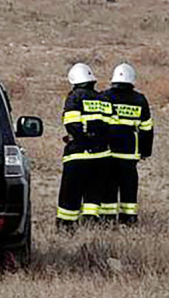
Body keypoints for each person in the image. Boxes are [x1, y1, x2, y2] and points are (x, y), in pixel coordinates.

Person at [57, 63, 111, 230]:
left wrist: (83, 141)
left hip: (78, 154)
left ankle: (66, 224)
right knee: (94, 190)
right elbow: (110, 126)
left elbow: (72, 124)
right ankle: (90, 221)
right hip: (101, 155)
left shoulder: (74, 97)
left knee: (70, 191)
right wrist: (96, 142)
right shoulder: (103, 99)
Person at [100, 63, 154, 225]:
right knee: (129, 186)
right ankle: (129, 218)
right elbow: (146, 128)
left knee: (108, 185)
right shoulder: (140, 100)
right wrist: (145, 151)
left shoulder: (104, 97)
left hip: (108, 151)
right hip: (129, 152)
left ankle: (107, 219)